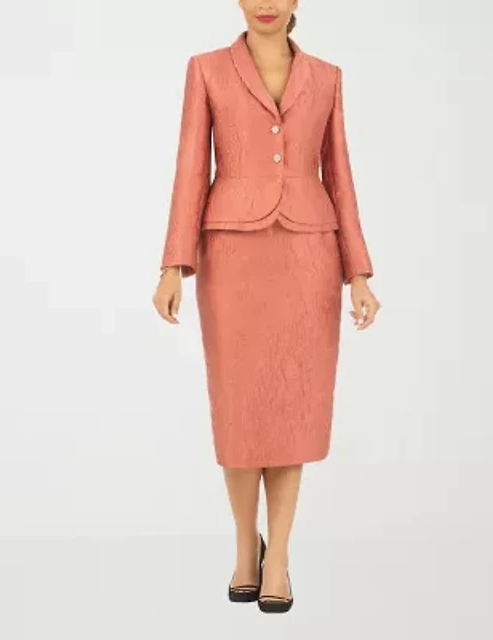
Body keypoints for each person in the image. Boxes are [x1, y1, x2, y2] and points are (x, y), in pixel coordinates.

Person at [152, 0, 382, 613]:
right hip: (230, 257)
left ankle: (276, 555)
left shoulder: (327, 77)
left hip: (309, 258)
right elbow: (190, 168)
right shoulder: (206, 69)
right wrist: (173, 264)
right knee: (240, 412)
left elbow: (340, 175)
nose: (266, 4)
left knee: (291, 409)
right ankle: (243, 546)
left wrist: (358, 272)